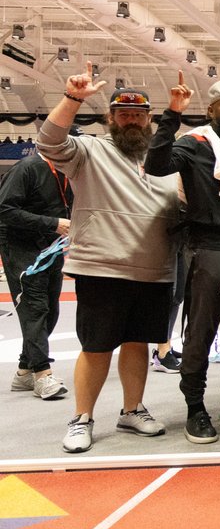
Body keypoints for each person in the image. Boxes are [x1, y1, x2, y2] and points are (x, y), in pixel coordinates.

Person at [38, 69, 182, 453]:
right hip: (101, 267)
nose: (131, 119)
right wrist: (73, 98)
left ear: (149, 119)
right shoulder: (90, 150)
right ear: (110, 118)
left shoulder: (166, 159)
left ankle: (132, 410)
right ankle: (81, 417)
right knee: (96, 346)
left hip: (155, 269)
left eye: (138, 114)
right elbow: (49, 140)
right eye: (123, 113)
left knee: (137, 343)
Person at [145, 75, 220, 445]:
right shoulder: (194, 142)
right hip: (208, 248)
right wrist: (172, 114)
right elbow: (156, 166)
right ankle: (195, 408)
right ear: (211, 110)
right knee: (201, 334)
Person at [0, 150, 73, 400]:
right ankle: (42, 373)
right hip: (20, 246)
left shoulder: (69, 171)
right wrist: (52, 224)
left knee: (51, 310)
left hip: (51, 247)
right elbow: (5, 209)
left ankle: (24, 371)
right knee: (34, 309)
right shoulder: (27, 168)